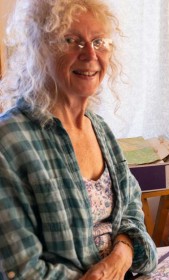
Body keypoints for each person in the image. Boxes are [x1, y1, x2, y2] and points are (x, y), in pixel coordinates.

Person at [0, 0, 157, 279]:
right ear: (40, 49)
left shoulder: (100, 128)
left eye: (98, 41)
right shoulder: (8, 141)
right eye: (71, 40)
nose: (89, 54)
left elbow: (132, 211)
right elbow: (21, 269)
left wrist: (122, 254)